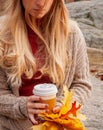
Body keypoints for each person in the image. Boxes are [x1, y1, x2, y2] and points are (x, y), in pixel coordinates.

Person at [0, 0, 92, 130]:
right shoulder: (3, 32)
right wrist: (21, 106)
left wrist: (63, 106)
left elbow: (82, 84)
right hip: (13, 126)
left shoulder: (72, 33)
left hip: (59, 126)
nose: (41, 3)